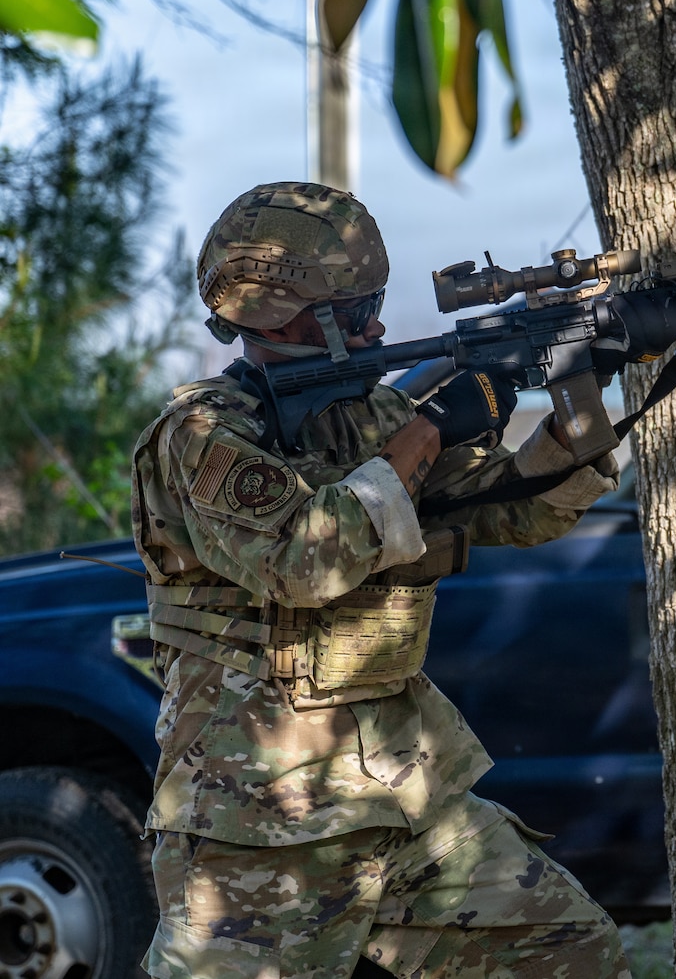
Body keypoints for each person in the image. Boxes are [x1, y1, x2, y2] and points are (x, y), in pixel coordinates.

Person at [131, 182, 630, 979]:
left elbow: (506, 511)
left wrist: (575, 410)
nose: (377, 327)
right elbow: (301, 558)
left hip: (403, 794)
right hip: (258, 822)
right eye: (359, 309)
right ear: (286, 317)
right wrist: (431, 429)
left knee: (569, 952)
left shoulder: (368, 415)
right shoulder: (203, 435)